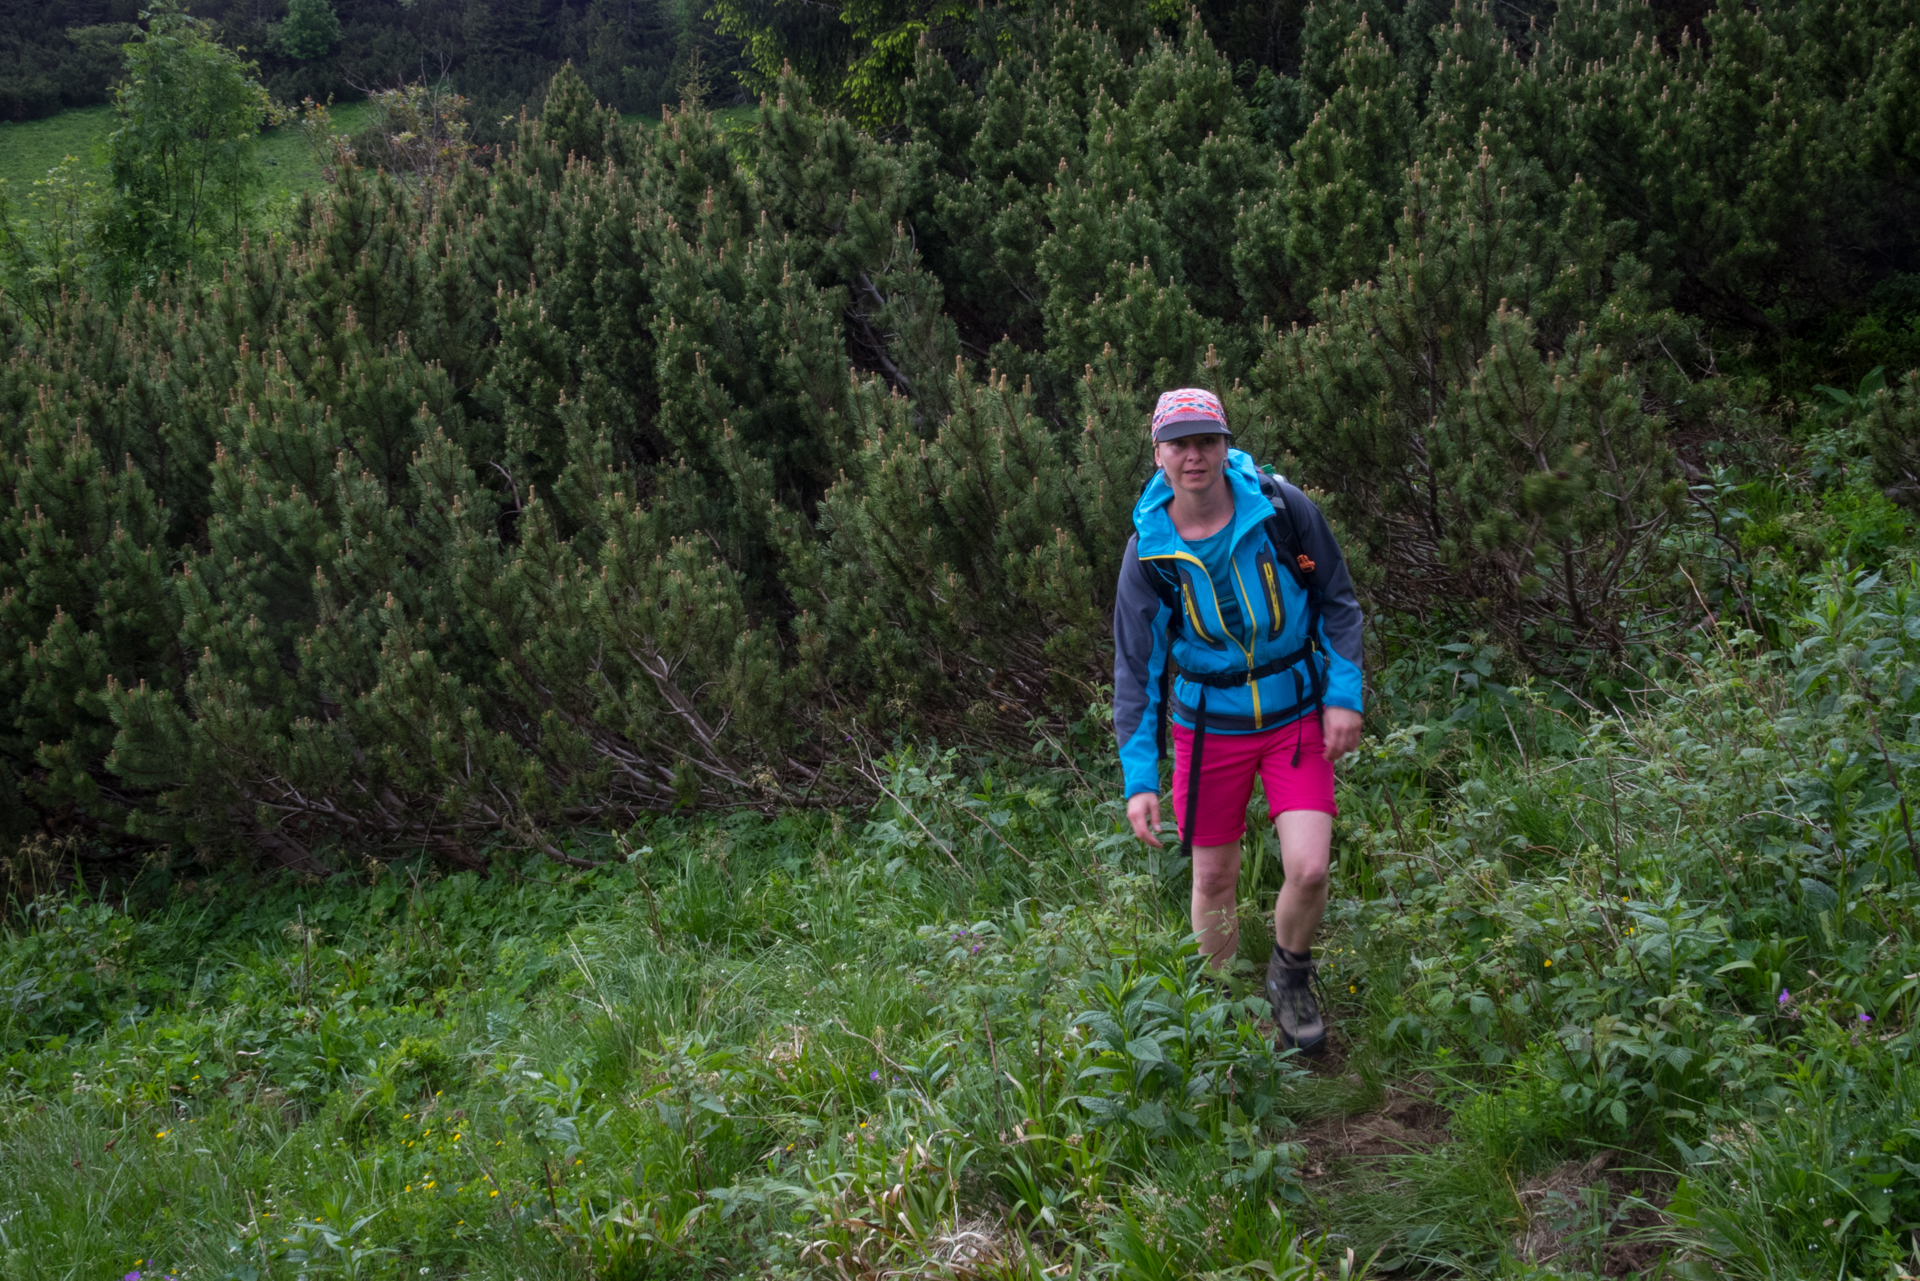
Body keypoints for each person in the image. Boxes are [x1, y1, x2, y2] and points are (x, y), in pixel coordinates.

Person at [1112, 388, 1363, 1056]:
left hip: (1295, 716)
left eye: (1207, 441)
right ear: (1159, 452)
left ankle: (1288, 975)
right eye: (1180, 443)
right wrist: (1141, 777)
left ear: (1226, 445)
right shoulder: (1150, 553)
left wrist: (1344, 693)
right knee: (1213, 878)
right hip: (1208, 730)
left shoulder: (1281, 508)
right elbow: (1135, 671)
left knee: (1308, 868)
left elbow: (1337, 600)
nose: (1195, 456)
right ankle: (1223, 1015)